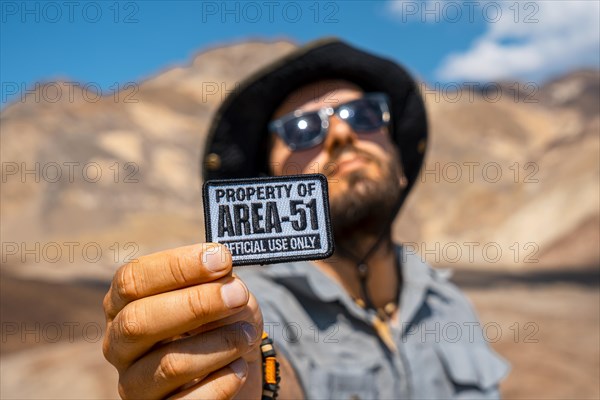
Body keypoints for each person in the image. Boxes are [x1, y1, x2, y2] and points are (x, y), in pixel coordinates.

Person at [102, 38, 509, 399]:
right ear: (270, 187)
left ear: (400, 165)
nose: (339, 135)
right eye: (301, 129)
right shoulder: (245, 307)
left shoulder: (450, 304)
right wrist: (246, 381)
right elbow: (266, 373)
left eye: (364, 115)